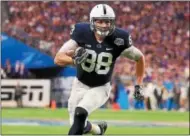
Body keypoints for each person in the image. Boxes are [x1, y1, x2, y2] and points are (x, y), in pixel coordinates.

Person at [54, 4, 145, 135]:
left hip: (101, 87)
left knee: (80, 113)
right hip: (79, 84)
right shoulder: (82, 32)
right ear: (92, 22)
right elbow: (58, 58)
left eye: (107, 21)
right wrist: (74, 61)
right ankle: (98, 130)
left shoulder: (119, 39)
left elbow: (139, 57)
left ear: (112, 22)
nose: (103, 25)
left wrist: (139, 84)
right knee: (79, 124)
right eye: (100, 21)